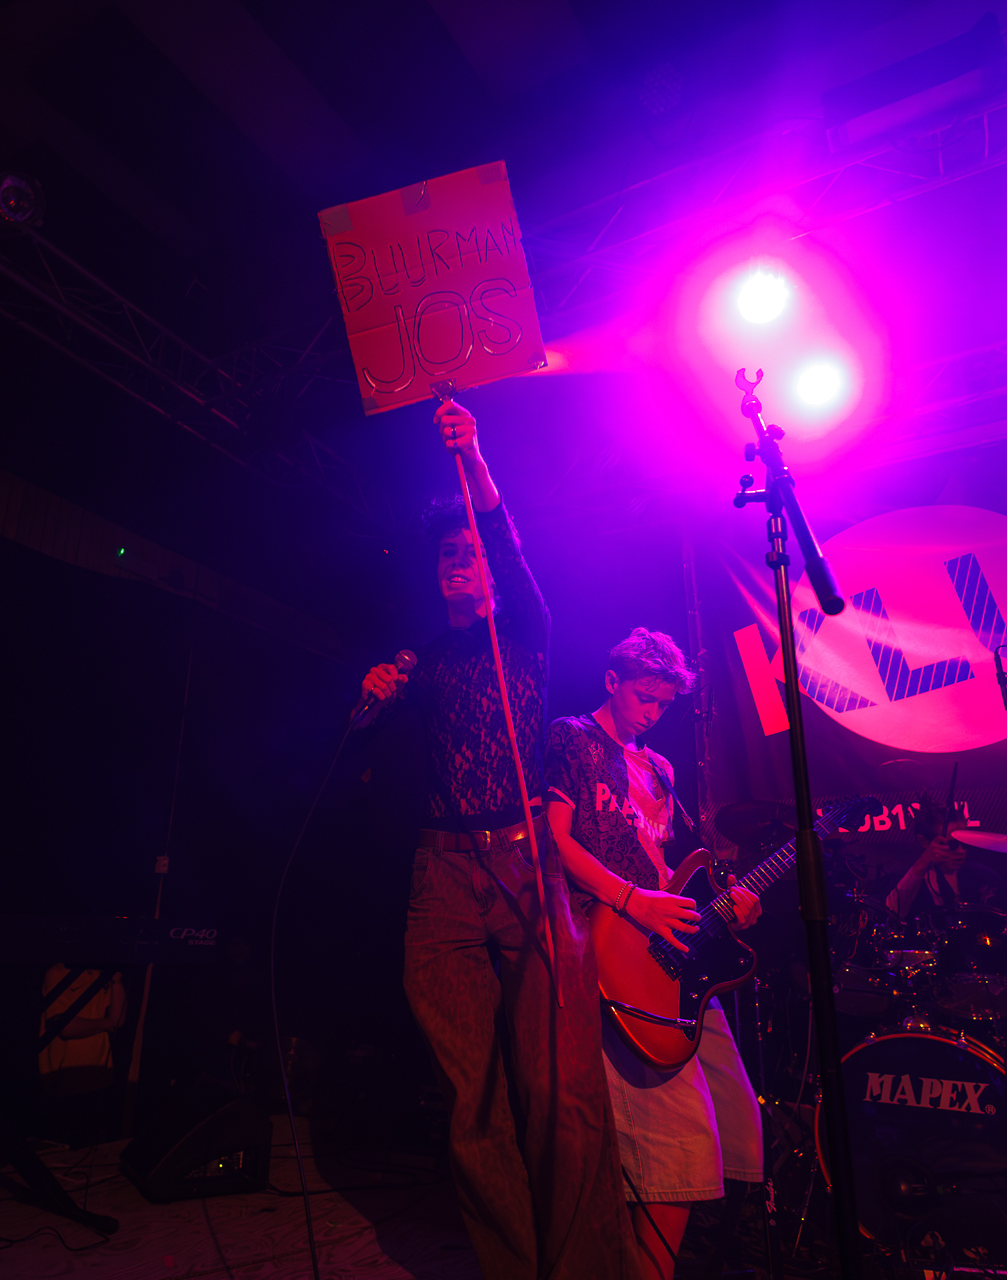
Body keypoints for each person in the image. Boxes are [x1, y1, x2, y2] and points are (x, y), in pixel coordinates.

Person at [359, 398, 629, 1280]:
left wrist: (472, 454)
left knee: (559, 1085)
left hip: (523, 867)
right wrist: (374, 698)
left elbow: (504, 536)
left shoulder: (524, 631)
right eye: (446, 555)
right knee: (471, 1101)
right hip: (441, 878)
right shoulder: (425, 661)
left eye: (469, 552)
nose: (458, 561)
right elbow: (378, 762)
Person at [544, 627, 766, 1280]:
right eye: (645, 697)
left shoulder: (660, 770)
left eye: (665, 703)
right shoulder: (572, 739)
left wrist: (729, 904)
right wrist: (630, 900)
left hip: (667, 948)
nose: (653, 712)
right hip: (610, 937)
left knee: (736, 1118)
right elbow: (553, 839)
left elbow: (670, 868)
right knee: (678, 1136)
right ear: (612, 681)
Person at [884, 805, 1007, 937]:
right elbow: (890, 916)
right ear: (925, 842)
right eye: (952, 845)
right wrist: (922, 864)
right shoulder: (909, 878)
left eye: (965, 844)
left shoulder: (981, 875)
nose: (961, 851)